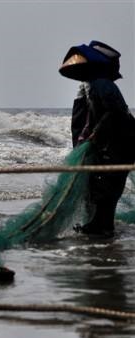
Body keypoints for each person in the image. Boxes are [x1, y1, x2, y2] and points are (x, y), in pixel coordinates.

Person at [60, 41, 135, 236]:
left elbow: (114, 114)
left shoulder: (101, 84)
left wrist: (95, 134)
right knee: (101, 187)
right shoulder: (95, 84)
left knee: (107, 188)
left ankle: (103, 227)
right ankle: (100, 225)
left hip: (119, 146)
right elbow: (92, 117)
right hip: (113, 145)